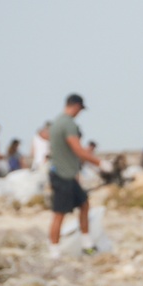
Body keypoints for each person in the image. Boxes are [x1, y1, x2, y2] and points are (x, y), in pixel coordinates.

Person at [48, 94, 113, 257]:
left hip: (66, 174)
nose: (80, 113)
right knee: (59, 214)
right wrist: (100, 163)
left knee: (84, 204)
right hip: (63, 175)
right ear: (76, 106)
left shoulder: (57, 122)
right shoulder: (68, 124)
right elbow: (78, 150)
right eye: (80, 109)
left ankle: (87, 243)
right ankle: (54, 250)